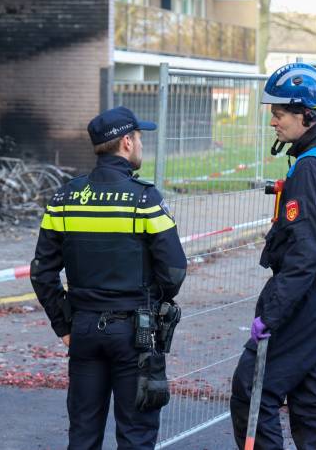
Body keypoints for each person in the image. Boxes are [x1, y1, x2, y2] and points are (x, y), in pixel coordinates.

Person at [30, 106, 187, 450]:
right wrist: (153, 299)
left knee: (83, 435)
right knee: (135, 435)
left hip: (84, 329)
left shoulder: (66, 198)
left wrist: (65, 325)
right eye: (140, 138)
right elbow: (174, 270)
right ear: (127, 142)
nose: (142, 145)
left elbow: (42, 272)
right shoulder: (144, 199)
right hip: (136, 332)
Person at [229, 63, 316, 449]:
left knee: (252, 392)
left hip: (311, 295)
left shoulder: (310, 167)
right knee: (312, 398)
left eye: (279, 113)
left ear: (306, 113)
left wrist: (271, 315)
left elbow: (305, 253)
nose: (273, 121)